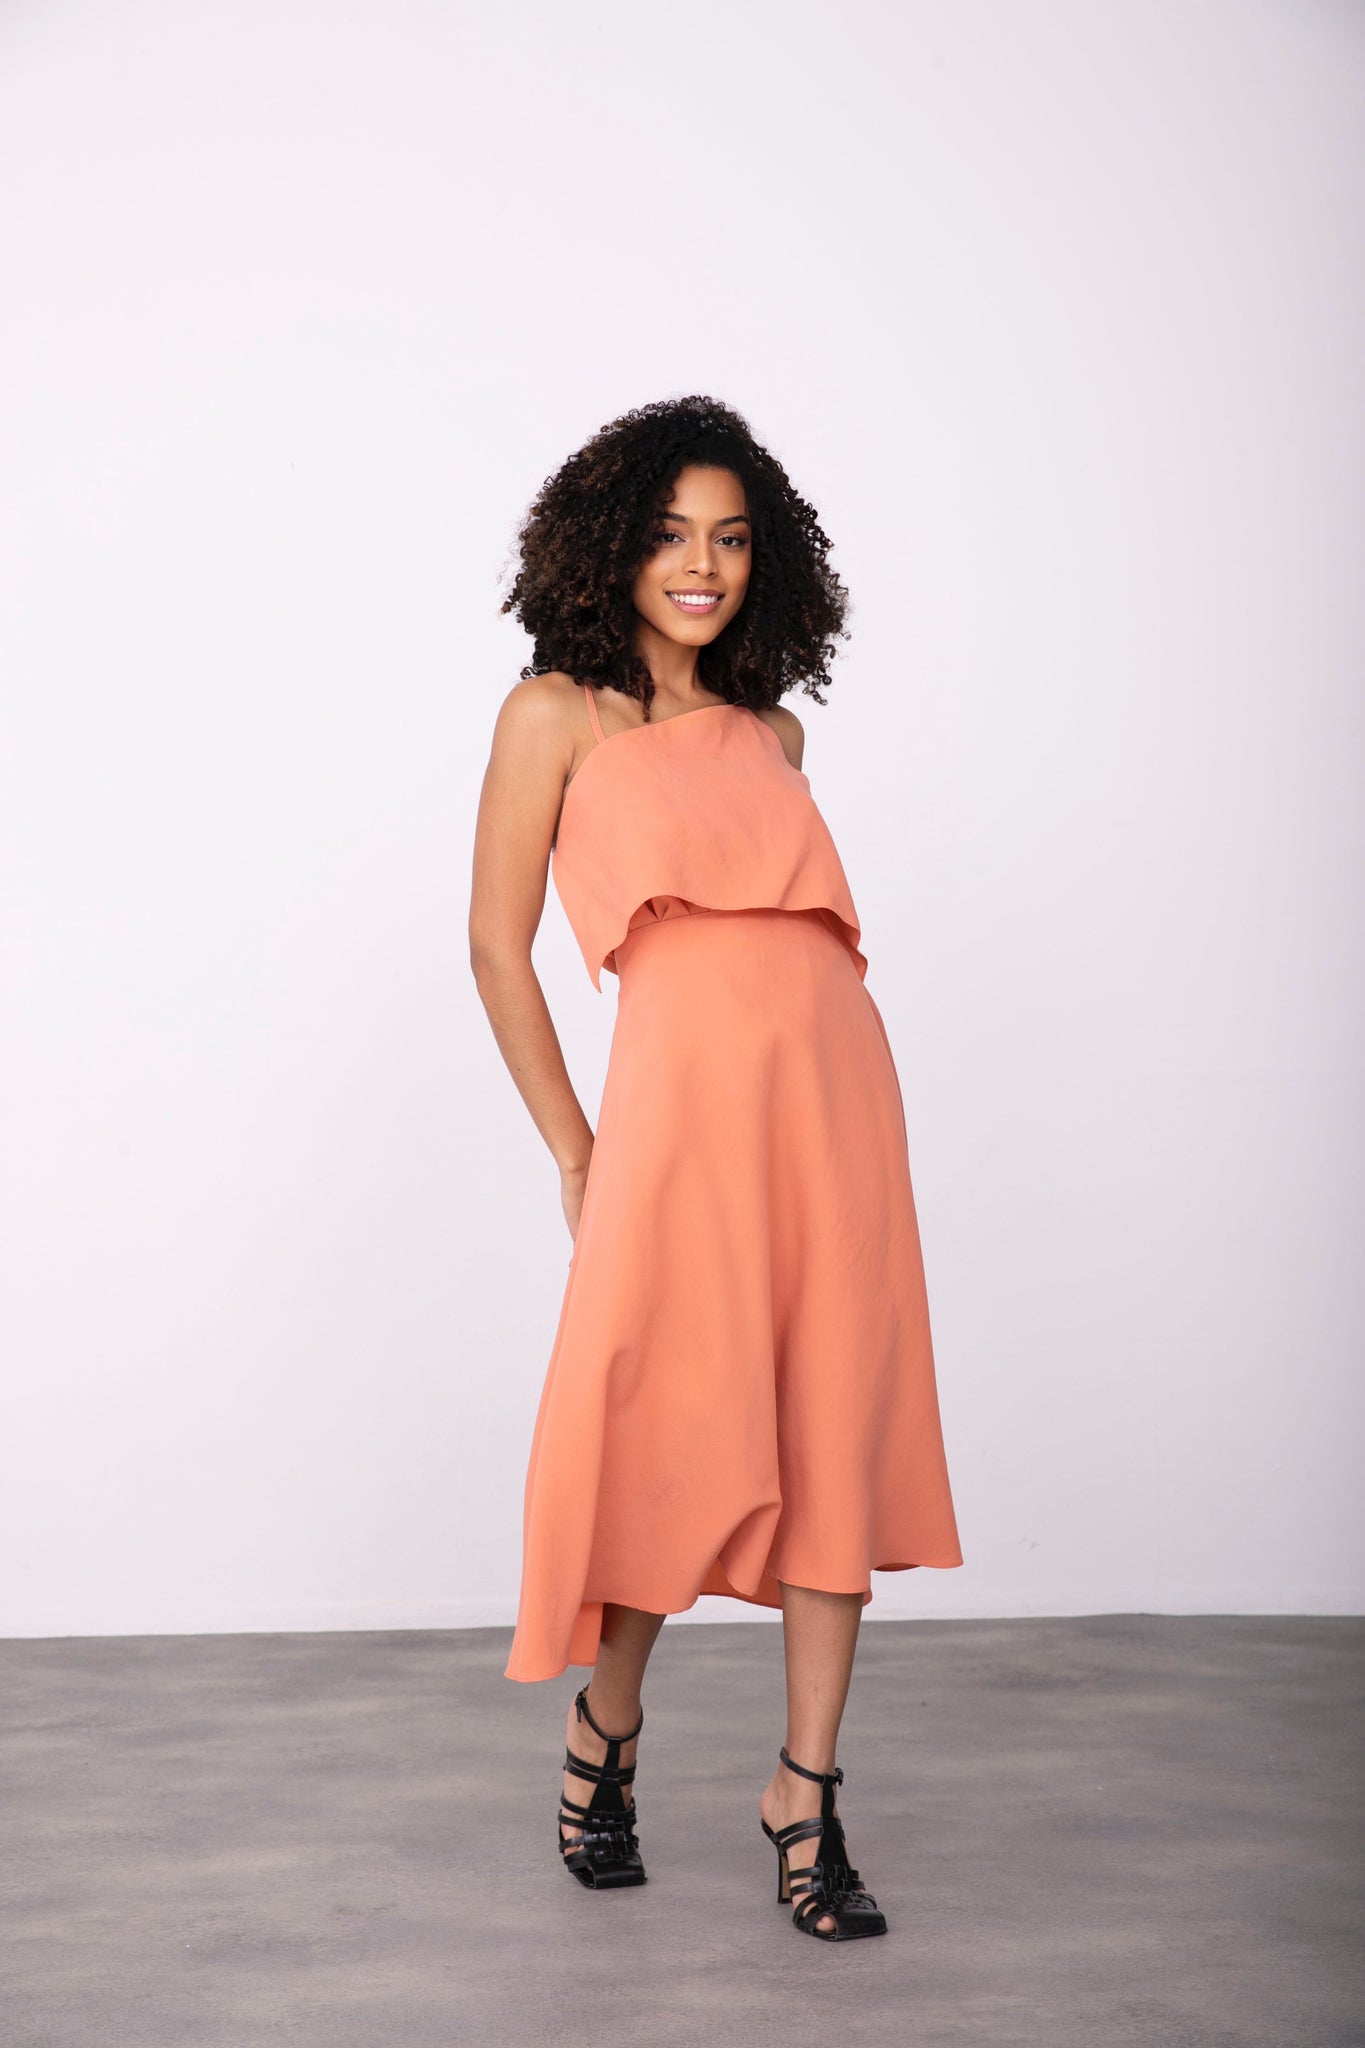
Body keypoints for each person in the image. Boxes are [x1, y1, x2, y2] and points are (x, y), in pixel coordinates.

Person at [469, 395, 963, 1942]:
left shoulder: (774, 733)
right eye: (673, 535)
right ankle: (604, 1725)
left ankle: (804, 1796)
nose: (703, 565)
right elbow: (493, 948)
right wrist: (576, 1151)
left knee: (829, 1425)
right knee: (670, 1431)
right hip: (676, 1127)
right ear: (611, 547)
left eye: (732, 540)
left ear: (768, 563)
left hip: (834, 1105)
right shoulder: (555, 716)